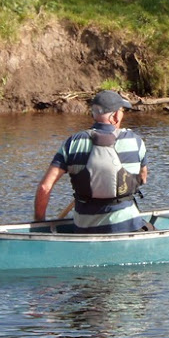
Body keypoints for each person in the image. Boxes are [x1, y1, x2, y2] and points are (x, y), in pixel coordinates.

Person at [34, 90, 150, 233]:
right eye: (121, 111)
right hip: (127, 227)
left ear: (94, 114)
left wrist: (39, 224)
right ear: (114, 116)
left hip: (84, 228)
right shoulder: (135, 141)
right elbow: (143, 178)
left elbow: (45, 187)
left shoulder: (73, 143)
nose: (122, 115)